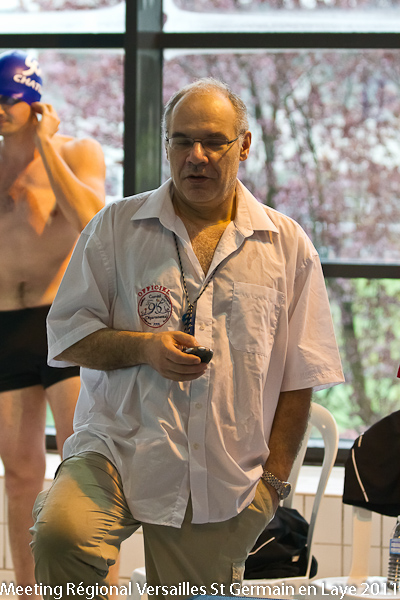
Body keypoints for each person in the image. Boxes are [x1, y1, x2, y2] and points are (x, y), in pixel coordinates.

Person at [31, 78, 344, 599]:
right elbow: (67, 337)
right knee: (62, 537)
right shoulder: (116, 228)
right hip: (116, 447)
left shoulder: (286, 245)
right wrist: (143, 347)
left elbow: (301, 375)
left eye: (214, 141)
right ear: (167, 144)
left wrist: (273, 484)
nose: (196, 156)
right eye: (182, 140)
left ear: (244, 145)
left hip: (220, 475)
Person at [0, 49, 106, 595]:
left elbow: (93, 218)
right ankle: (26, 591)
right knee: (20, 477)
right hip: (5, 327)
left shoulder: (76, 151)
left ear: (34, 99)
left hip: (60, 323)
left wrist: (44, 146)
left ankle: (95, 590)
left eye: (8, 99)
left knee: (82, 470)